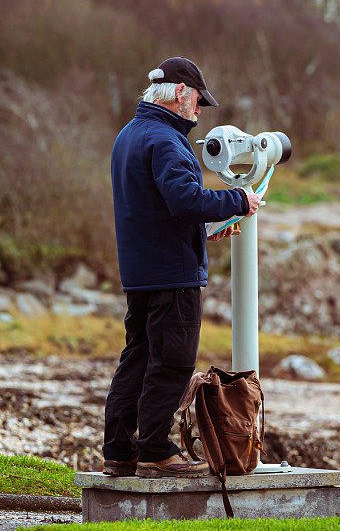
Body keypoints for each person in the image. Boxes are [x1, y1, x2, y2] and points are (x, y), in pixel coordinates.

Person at [101, 57, 260, 478]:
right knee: (171, 361)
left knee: (136, 358)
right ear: (179, 93)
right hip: (173, 276)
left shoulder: (128, 136)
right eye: (197, 101)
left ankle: (119, 451)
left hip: (140, 272)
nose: (199, 110)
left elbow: (153, 209)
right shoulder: (168, 141)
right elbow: (186, 201)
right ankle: (155, 451)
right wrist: (239, 201)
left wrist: (204, 230)